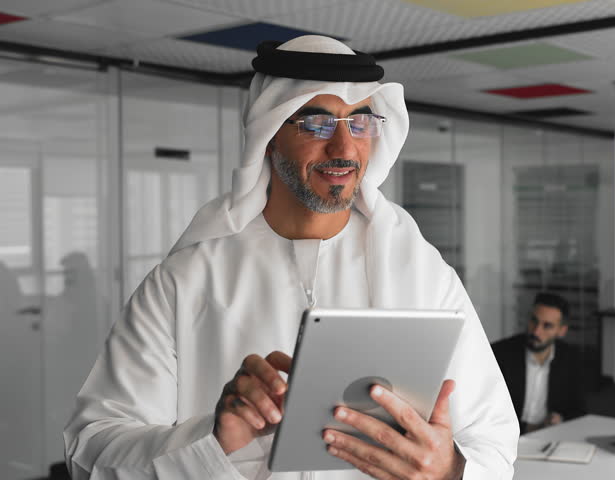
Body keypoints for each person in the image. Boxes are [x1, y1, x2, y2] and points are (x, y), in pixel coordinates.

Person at [64, 35, 518, 480]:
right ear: (269, 135)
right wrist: (211, 440)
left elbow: (494, 440)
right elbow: (92, 450)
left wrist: (449, 470)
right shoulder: (187, 280)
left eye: (359, 122)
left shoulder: (422, 273)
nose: (343, 148)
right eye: (316, 123)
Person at [491, 292, 586, 434]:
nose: (536, 331)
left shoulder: (570, 358)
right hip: (506, 437)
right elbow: (488, 411)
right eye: (534, 321)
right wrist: (530, 428)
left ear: (561, 331)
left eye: (547, 326)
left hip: (552, 437)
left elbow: (579, 410)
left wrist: (560, 419)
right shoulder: (500, 353)